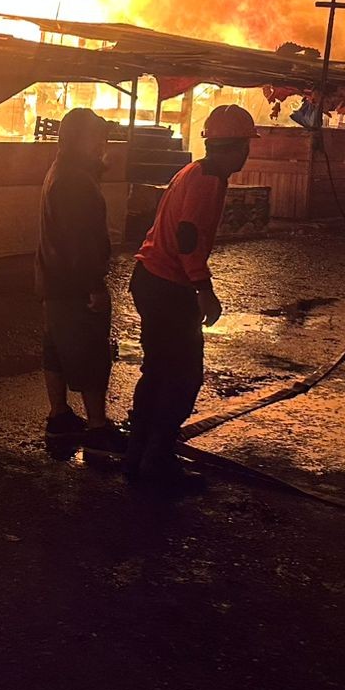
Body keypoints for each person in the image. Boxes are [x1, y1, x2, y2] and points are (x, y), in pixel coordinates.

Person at [123, 103, 257, 486]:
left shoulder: (194, 170)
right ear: (236, 147)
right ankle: (157, 459)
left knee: (158, 371)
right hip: (168, 285)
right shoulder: (208, 178)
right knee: (183, 377)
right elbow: (187, 238)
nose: (248, 153)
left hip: (151, 278)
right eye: (246, 145)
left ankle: (138, 455)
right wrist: (204, 290)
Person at [36, 108, 124, 452]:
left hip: (53, 278)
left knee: (55, 350)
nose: (102, 143)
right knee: (89, 351)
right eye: (96, 137)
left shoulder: (64, 170)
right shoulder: (74, 180)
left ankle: (60, 418)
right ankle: (98, 427)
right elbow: (79, 240)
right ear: (79, 140)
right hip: (73, 284)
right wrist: (94, 286)